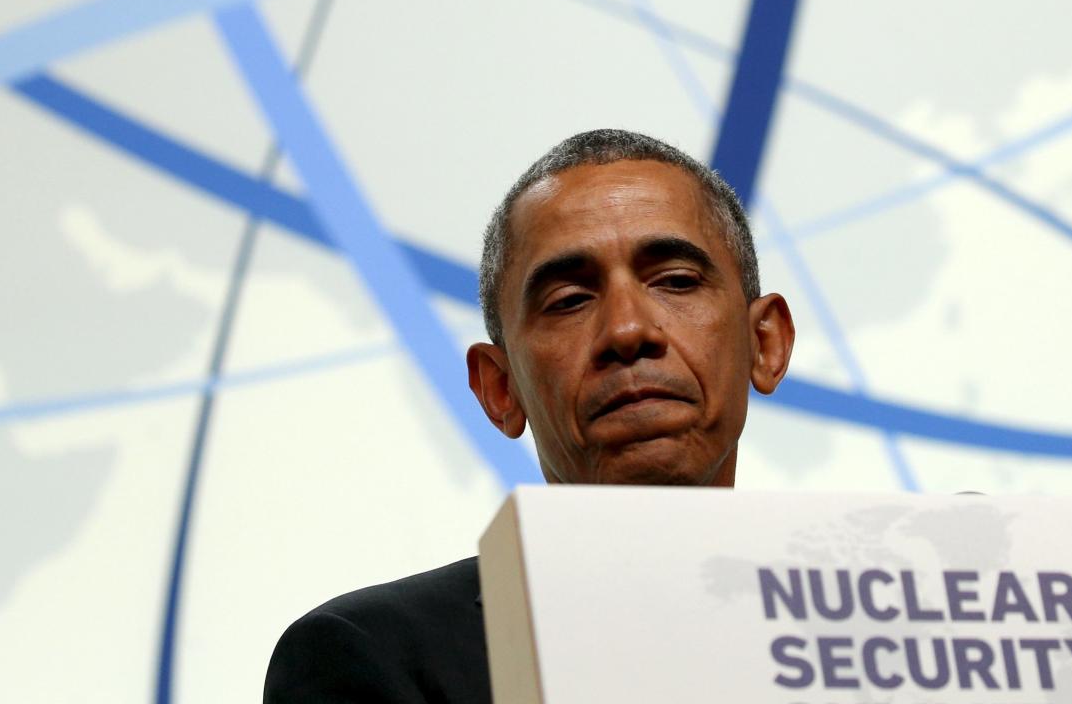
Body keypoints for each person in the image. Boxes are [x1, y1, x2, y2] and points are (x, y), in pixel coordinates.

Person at [263, 128, 796, 703]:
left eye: (675, 281)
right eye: (569, 300)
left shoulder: (885, 630)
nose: (628, 330)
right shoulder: (371, 655)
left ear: (764, 344)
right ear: (500, 388)